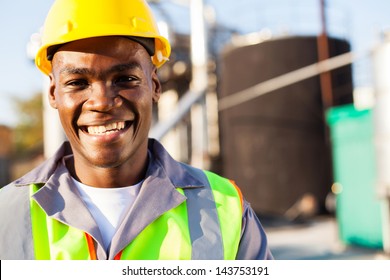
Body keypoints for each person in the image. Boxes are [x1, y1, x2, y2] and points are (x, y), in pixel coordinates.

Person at [0, 0, 273, 260]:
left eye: (125, 79)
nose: (102, 102)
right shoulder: (6, 215)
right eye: (78, 82)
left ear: (154, 85)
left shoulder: (226, 209)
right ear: (53, 93)